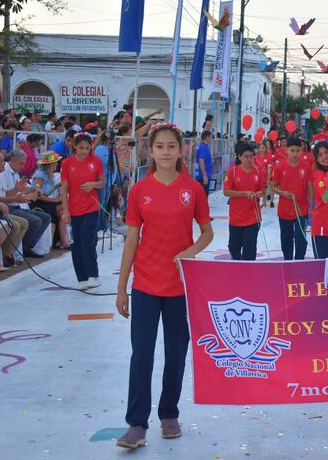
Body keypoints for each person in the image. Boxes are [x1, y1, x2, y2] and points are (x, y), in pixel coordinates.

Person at [115, 122, 213, 449]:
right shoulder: (139, 190)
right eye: (160, 147)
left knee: (176, 354)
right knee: (141, 354)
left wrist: (191, 251)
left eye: (172, 146)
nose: (166, 152)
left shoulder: (193, 189)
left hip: (180, 287)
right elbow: (131, 239)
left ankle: (169, 413)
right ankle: (136, 424)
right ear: (151, 151)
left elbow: (207, 232)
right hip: (144, 284)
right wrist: (121, 287)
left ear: (180, 149)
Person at [61, 132, 105, 290]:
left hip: (91, 206)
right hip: (74, 208)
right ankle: (82, 278)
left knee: (87, 238)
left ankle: (93, 275)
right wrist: (65, 211)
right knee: (76, 243)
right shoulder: (66, 163)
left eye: (87, 148)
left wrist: (92, 185)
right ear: (74, 146)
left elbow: (102, 182)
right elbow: (64, 188)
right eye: (81, 148)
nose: (84, 151)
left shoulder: (96, 161)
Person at [0, 150, 53, 257]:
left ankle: (27, 247)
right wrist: (23, 197)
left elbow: (20, 189)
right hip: (9, 207)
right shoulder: (4, 173)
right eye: (21, 163)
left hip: (16, 206)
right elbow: (4, 194)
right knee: (35, 221)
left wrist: (33, 190)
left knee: (46, 218)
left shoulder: (15, 172)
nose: (23, 167)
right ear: (13, 160)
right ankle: (19, 249)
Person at [271, 137, 312, 260]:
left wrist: (311, 208)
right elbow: (273, 187)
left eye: (297, 150)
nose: (295, 153)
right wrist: (283, 193)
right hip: (284, 210)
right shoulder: (279, 167)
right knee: (286, 238)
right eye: (292, 150)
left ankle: (299, 260)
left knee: (301, 237)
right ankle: (287, 260)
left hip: (301, 209)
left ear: (301, 151)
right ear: (286, 150)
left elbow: (310, 187)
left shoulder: (307, 167)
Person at [223, 143, 265, 260]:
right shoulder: (233, 172)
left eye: (251, 156)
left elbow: (262, 190)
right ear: (239, 157)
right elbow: (226, 191)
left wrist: (258, 194)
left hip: (253, 217)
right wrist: (244, 194)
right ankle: (237, 268)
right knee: (233, 247)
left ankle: (249, 273)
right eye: (246, 156)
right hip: (236, 217)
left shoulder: (258, 171)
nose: (249, 159)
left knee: (249, 248)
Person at [31, 151, 70, 250]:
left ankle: (62, 241)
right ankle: (63, 241)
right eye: (56, 162)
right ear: (51, 164)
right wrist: (53, 200)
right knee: (62, 211)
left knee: (65, 207)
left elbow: (47, 191)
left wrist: (57, 186)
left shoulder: (49, 175)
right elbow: (38, 193)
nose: (57, 164)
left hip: (46, 201)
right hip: (39, 203)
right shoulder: (40, 175)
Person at [194, 131, 213, 195]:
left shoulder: (203, 146)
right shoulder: (203, 147)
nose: (211, 139)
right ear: (207, 137)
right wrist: (204, 176)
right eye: (210, 137)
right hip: (202, 176)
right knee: (204, 195)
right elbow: (201, 161)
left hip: (203, 175)